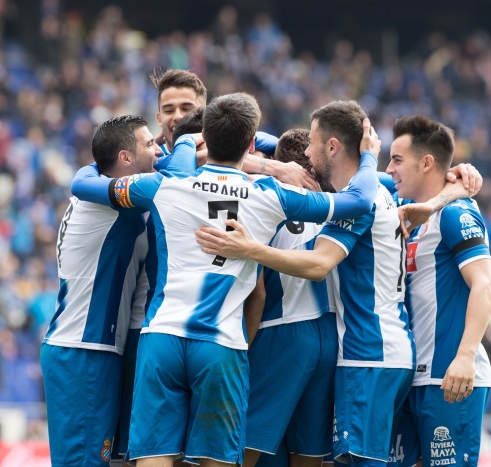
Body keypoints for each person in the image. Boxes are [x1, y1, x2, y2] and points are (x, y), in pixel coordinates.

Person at [70, 92, 381, 467]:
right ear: (251, 145)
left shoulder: (163, 185)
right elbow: (361, 200)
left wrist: (185, 142)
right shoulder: (271, 195)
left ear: (205, 139)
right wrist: (369, 155)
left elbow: (86, 181)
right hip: (222, 344)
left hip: (162, 338)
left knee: (154, 458)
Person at [195, 102, 474, 467]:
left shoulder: (362, 200)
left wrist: (249, 248)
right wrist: (448, 190)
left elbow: (318, 264)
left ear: (332, 147)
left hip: (370, 354)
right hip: (379, 350)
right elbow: (452, 180)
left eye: (312, 143)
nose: (306, 154)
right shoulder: (373, 192)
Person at [41, 115, 197, 467]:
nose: (157, 149)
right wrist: (186, 141)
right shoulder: (106, 199)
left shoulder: (99, 185)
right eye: (148, 145)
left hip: (95, 350)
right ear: (125, 158)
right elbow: (178, 184)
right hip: (83, 351)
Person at [384, 115, 491, 467]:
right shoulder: (413, 217)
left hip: (450, 378)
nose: (389, 169)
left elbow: (485, 285)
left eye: (397, 159)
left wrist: (464, 356)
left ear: (427, 162)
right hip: (410, 379)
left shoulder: (456, 213)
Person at [244, 128, 340, 467]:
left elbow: (257, 291)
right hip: (329, 334)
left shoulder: (262, 193)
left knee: (243, 448)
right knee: (308, 456)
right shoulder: (337, 199)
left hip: (279, 331)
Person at [151, 69, 315, 189]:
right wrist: (276, 168)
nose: (178, 116)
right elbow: (190, 159)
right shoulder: (152, 160)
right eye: (169, 110)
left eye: (187, 108)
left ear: (206, 113)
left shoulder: (261, 146)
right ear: (159, 118)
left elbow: (275, 141)